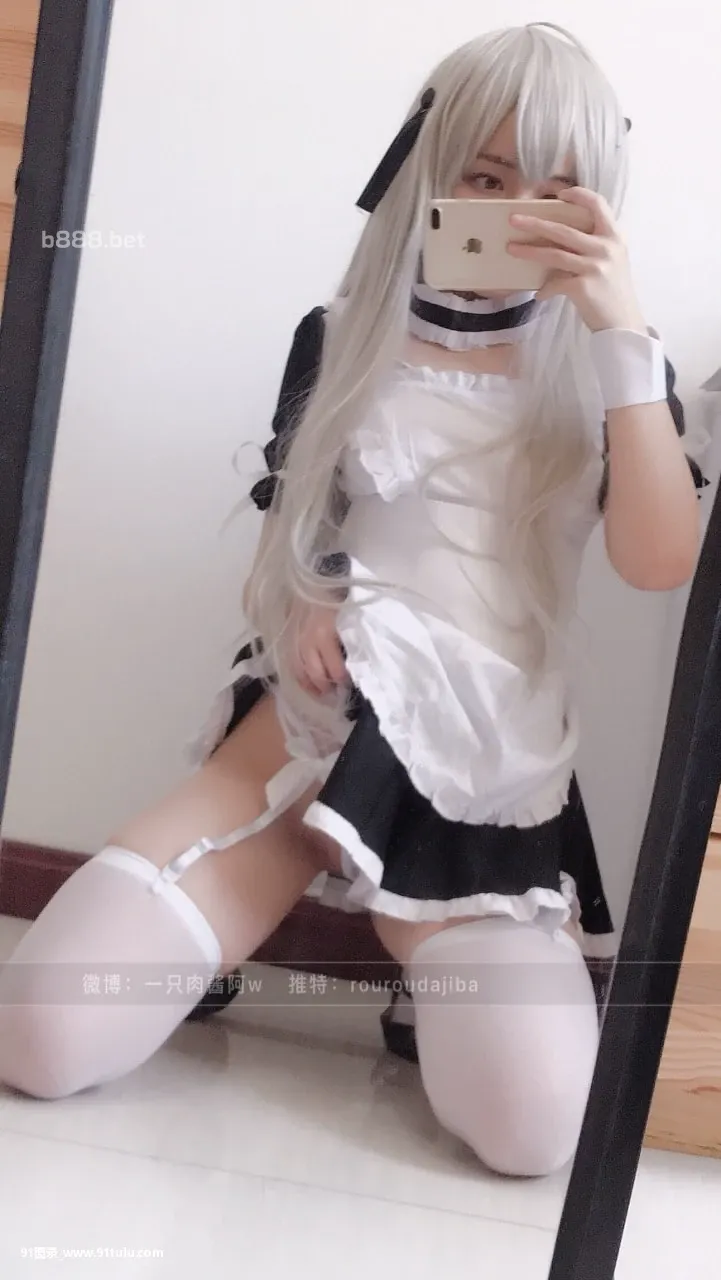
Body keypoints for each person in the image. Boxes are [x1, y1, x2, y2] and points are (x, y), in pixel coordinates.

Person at [0, 22, 703, 1177]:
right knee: (43, 1030)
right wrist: (305, 597)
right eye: (485, 177)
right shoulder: (340, 338)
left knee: (535, 1128)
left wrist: (621, 331)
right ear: (430, 170)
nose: (513, 212)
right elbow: (282, 545)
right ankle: (223, 937)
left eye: (554, 190)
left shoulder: (611, 371)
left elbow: (659, 560)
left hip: (485, 772)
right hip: (307, 738)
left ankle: (417, 976)